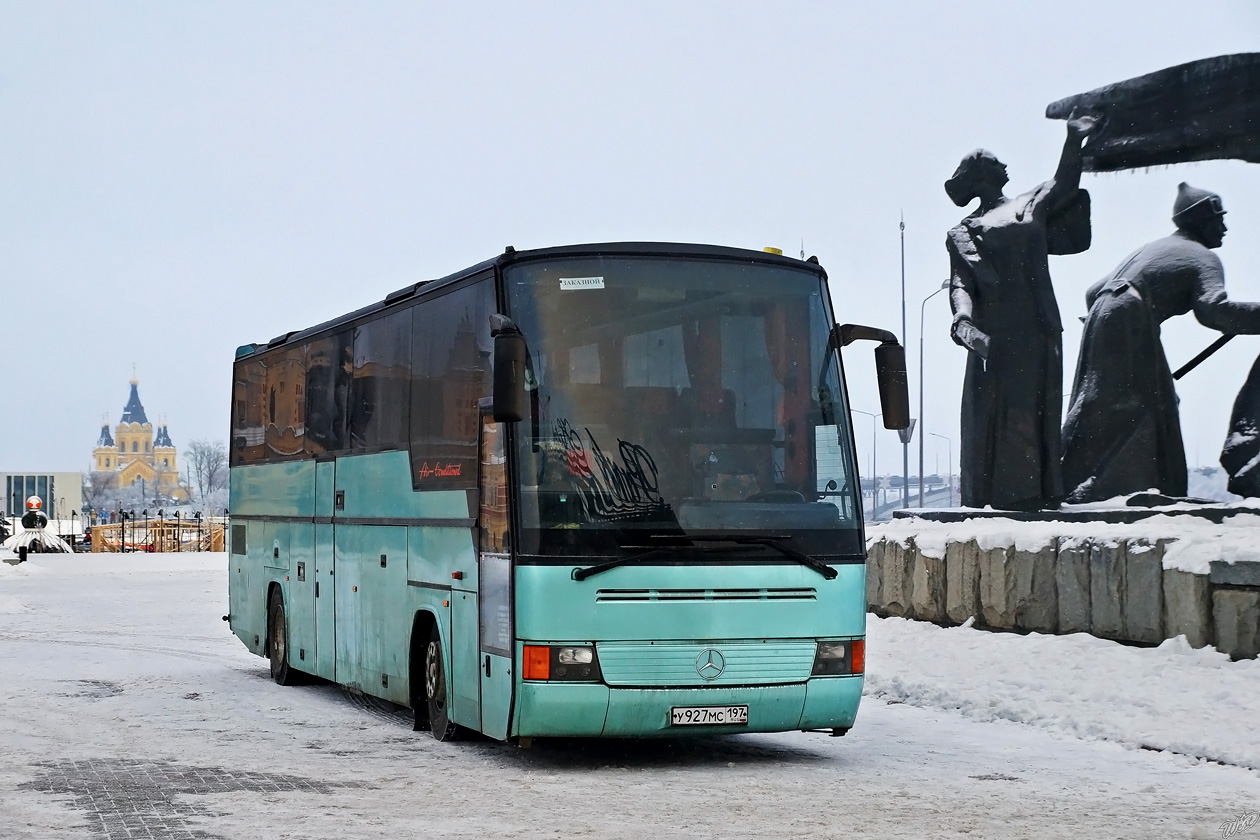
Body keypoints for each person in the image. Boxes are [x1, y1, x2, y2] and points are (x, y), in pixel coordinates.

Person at [1061, 182, 1260, 502]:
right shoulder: (1201, 256)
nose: (1224, 227)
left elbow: (1093, 290)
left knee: (1110, 404)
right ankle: (1115, 486)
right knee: (1144, 407)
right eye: (1219, 219)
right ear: (1202, 220)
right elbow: (1214, 311)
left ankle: (1080, 480)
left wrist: (1111, 332)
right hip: (1130, 315)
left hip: (1106, 315)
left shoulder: (1154, 248)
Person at [945, 112, 1097, 510]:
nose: (1005, 165)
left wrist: (1073, 140)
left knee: (1038, 408)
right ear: (982, 174)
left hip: (1039, 325)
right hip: (994, 333)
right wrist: (962, 318)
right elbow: (962, 284)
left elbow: (1065, 182)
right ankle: (1011, 495)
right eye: (995, 162)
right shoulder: (963, 232)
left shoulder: (1029, 204)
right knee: (1000, 413)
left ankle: (1040, 491)